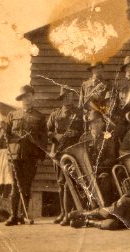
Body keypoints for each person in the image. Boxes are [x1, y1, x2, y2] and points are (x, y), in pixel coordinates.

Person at [1, 85, 47, 226]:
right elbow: (5, 135)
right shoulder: (12, 115)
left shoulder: (40, 117)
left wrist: (40, 156)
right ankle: (14, 216)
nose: (26, 100)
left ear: (33, 96)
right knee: (15, 186)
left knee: (26, 186)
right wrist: (3, 132)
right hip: (14, 156)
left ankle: (24, 215)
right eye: (23, 98)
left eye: (28, 96)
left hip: (30, 157)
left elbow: (43, 138)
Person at [46, 86, 83, 225]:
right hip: (58, 152)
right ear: (61, 99)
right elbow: (47, 131)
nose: (68, 99)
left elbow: (85, 130)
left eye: (70, 96)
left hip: (73, 152)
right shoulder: (55, 114)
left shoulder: (79, 113)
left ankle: (72, 212)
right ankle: (63, 212)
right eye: (65, 97)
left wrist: (76, 134)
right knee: (61, 184)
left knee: (72, 182)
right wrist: (58, 135)